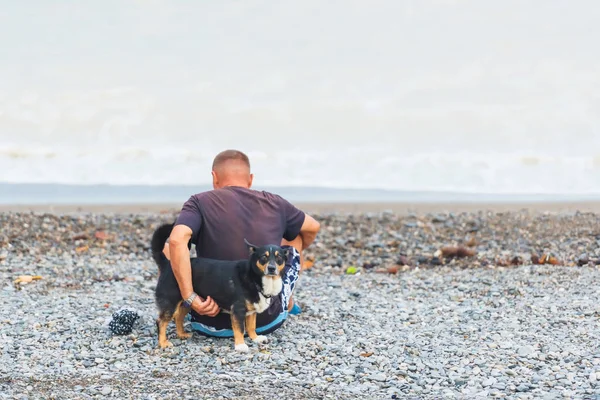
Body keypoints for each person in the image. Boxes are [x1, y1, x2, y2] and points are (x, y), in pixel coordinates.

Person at [163, 149, 321, 336]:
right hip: (267, 320)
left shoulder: (199, 202)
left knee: (172, 249)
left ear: (214, 177)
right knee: (295, 235)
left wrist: (190, 297)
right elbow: (313, 227)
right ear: (250, 179)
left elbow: (174, 242)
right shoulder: (275, 202)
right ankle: (286, 298)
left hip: (208, 320)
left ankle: (184, 304)